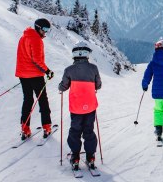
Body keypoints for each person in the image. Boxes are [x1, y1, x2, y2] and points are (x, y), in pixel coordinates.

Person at [59, 41, 102, 172]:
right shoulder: (93, 68)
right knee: (89, 131)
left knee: (75, 131)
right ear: (87, 54)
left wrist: (60, 87)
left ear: (74, 55)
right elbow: (98, 85)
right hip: (90, 106)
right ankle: (90, 157)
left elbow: (63, 86)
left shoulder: (69, 70)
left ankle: (75, 157)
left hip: (76, 107)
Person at [15, 18, 55, 139]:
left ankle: (25, 128)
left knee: (27, 100)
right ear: (38, 28)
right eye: (45, 29)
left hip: (23, 75)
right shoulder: (36, 40)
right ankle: (46, 126)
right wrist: (47, 71)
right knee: (42, 100)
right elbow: (37, 60)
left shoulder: (23, 38)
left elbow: (22, 56)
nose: (46, 32)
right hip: (36, 76)